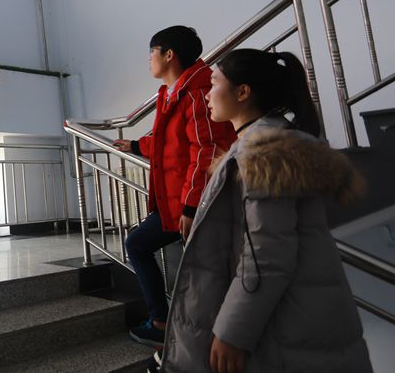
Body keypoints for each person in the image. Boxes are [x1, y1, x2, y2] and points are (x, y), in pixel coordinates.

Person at [159, 48, 372, 373]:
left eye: (214, 84)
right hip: (300, 319)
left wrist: (233, 331)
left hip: (286, 328)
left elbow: (267, 254)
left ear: (243, 92)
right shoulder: (270, 145)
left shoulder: (263, 155)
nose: (207, 96)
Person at [114, 26, 236, 347]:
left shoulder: (196, 93)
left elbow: (206, 151)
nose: (148, 59)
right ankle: (180, 326)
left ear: (169, 55)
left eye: (152, 52)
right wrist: (136, 146)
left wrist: (192, 206)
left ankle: (167, 323)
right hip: (178, 201)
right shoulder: (172, 92)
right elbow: (169, 142)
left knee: (138, 245)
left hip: (193, 202)